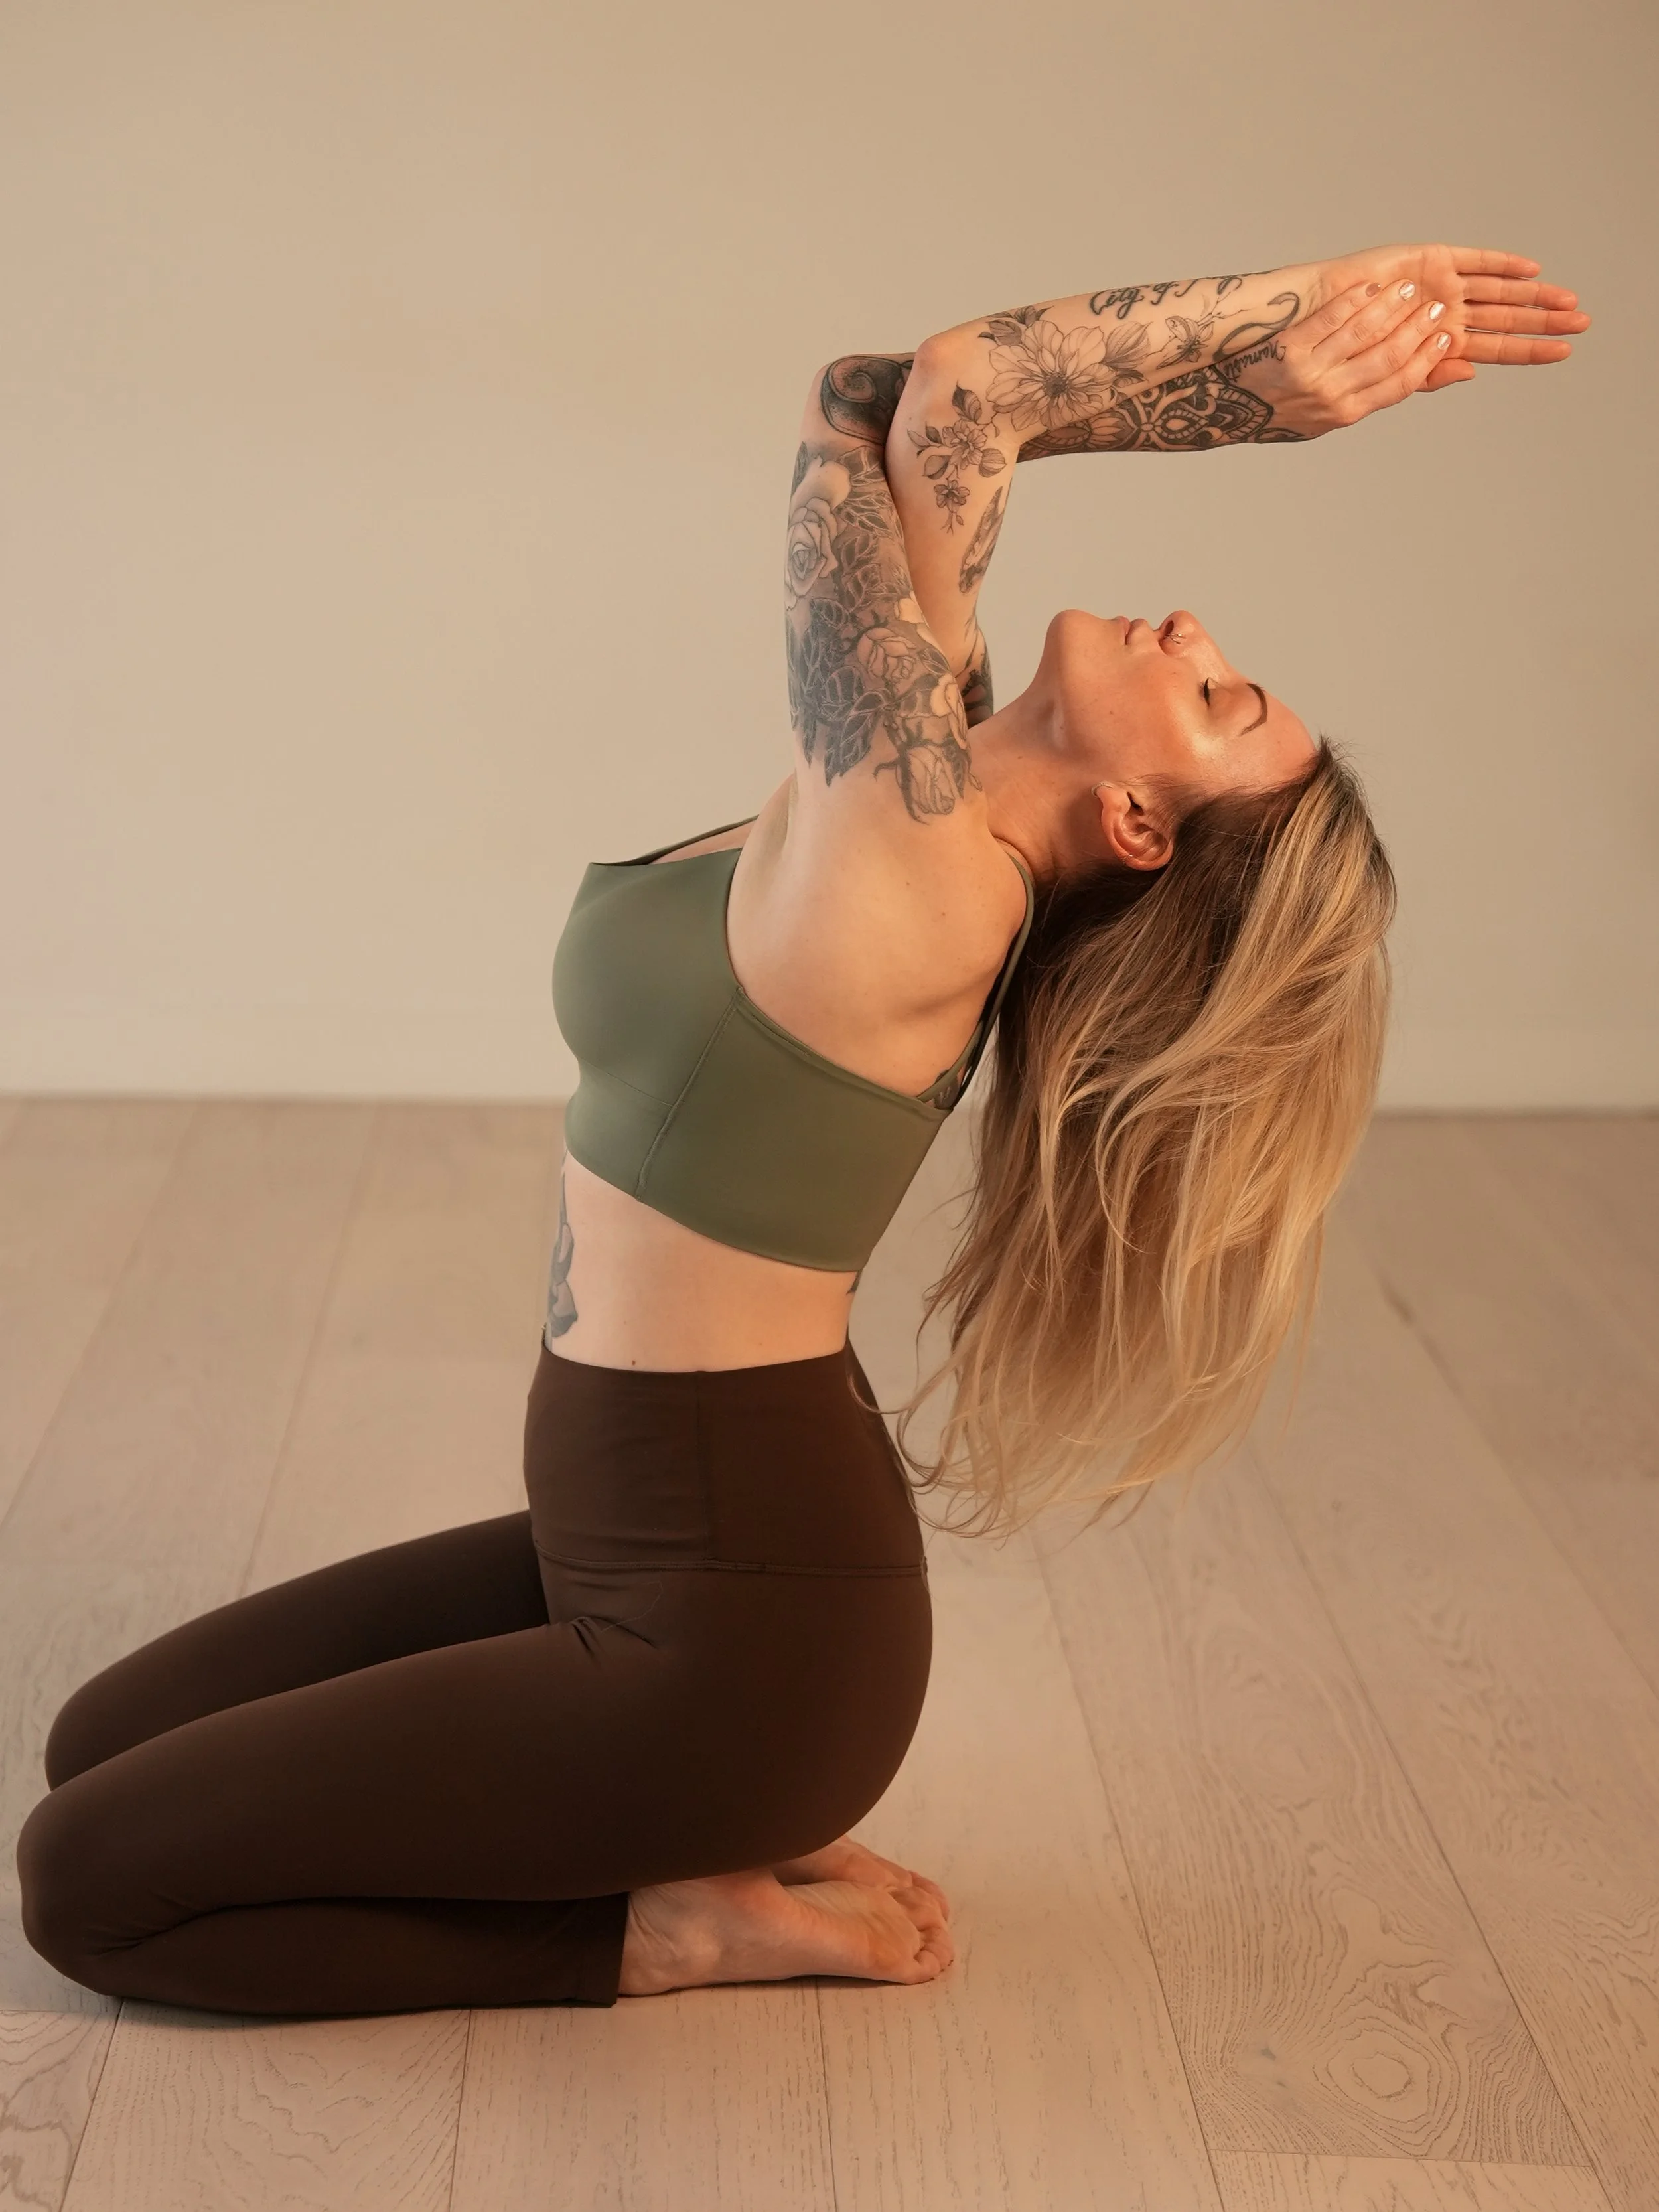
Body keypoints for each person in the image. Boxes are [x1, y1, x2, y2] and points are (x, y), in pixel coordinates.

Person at [17, 242, 1586, 2016]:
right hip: (638, 1538)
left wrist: (1272, 353)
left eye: (1219, 700)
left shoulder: (916, 876)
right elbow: (896, 406)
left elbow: (952, 384)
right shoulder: (930, 774)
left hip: (732, 1642)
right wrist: (1230, 378)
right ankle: (670, 1827)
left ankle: (663, 1923)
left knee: (92, 1890)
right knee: (95, 1746)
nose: (1194, 636)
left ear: (1141, 823)